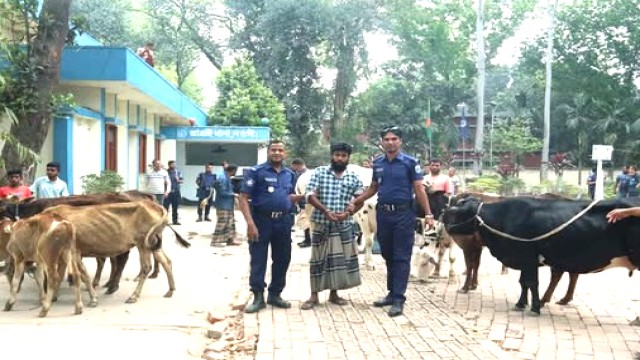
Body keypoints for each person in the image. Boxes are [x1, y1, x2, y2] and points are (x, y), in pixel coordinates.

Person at [347, 125, 434, 317]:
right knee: (387, 253)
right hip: (384, 214)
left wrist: (428, 213)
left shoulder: (410, 162)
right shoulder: (378, 163)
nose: (390, 142)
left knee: (401, 255)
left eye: (394, 139)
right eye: (386, 139)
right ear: (382, 142)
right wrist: (356, 201)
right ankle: (390, 293)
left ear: (400, 141)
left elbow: (419, 188)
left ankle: (398, 299)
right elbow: (373, 188)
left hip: (404, 214)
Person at [238, 140, 304, 313]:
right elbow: (243, 197)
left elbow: (288, 197)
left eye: (280, 150)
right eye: (273, 150)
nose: (277, 153)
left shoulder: (290, 174)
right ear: (268, 152)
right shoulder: (256, 172)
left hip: (283, 222)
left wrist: (303, 196)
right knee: (259, 259)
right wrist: (250, 223)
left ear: (285, 153)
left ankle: (275, 294)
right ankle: (258, 296)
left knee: (283, 259)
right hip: (261, 221)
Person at [300, 143, 364, 310]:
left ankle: (334, 294)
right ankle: (314, 296)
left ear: (348, 157)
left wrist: (348, 213)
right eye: (337, 155)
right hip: (322, 222)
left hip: (343, 224)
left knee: (338, 260)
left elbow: (360, 200)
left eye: (343, 155)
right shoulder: (320, 172)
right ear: (332, 155)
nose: (340, 158)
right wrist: (325, 210)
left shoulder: (353, 177)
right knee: (317, 259)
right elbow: (309, 195)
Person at [211, 164, 240, 247]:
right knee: (222, 222)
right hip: (223, 204)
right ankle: (215, 241)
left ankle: (229, 239)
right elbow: (222, 192)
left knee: (230, 223)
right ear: (233, 170)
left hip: (228, 204)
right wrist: (234, 195)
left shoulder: (226, 176)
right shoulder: (223, 178)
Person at [291, 158, 312, 248]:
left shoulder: (307, 175)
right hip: (302, 202)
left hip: (307, 202)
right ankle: (307, 239)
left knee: (306, 221)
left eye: (294, 167)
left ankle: (308, 240)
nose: (294, 169)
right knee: (304, 221)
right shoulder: (301, 174)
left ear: (297, 165)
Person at [164, 160, 183, 225]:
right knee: (166, 207)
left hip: (176, 191)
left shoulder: (178, 172)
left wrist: (178, 180)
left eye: (174, 164)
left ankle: (175, 221)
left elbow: (182, 180)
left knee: (175, 207)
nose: (174, 165)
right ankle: (165, 221)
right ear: (169, 165)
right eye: (172, 164)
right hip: (168, 192)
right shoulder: (165, 172)